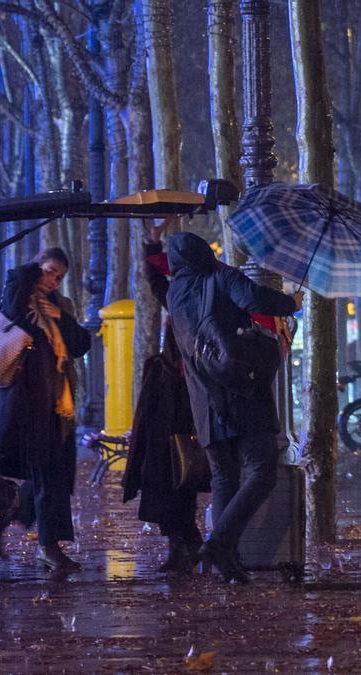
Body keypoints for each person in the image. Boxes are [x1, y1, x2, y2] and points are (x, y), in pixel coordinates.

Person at [164, 232, 302, 583]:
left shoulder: (175, 292)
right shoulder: (222, 277)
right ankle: (220, 544)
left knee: (224, 476)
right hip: (242, 391)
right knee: (262, 471)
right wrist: (291, 302)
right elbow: (253, 297)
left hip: (204, 401)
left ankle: (227, 560)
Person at [0, 248, 91, 572]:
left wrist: (60, 316)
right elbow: (14, 298)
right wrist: (34, 272)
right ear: (36, 268)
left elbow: (80, 344)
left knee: (54, 474)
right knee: (48, 475)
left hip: (58, 403)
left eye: (59, 277)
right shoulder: (19, 297)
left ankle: (5, 519)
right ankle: (48, 548)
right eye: (49, 272)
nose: (53, 281)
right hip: (27, 404)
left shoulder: (58, 305)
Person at [123, 221, 206, 574]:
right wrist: (152, 243)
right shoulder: (182, 294)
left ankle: (189, 544)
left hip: (187, 399)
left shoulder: (199, 297)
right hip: (169, 398)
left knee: (181, 472)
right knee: (166, 474)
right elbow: (156, 280)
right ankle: (184, 543)